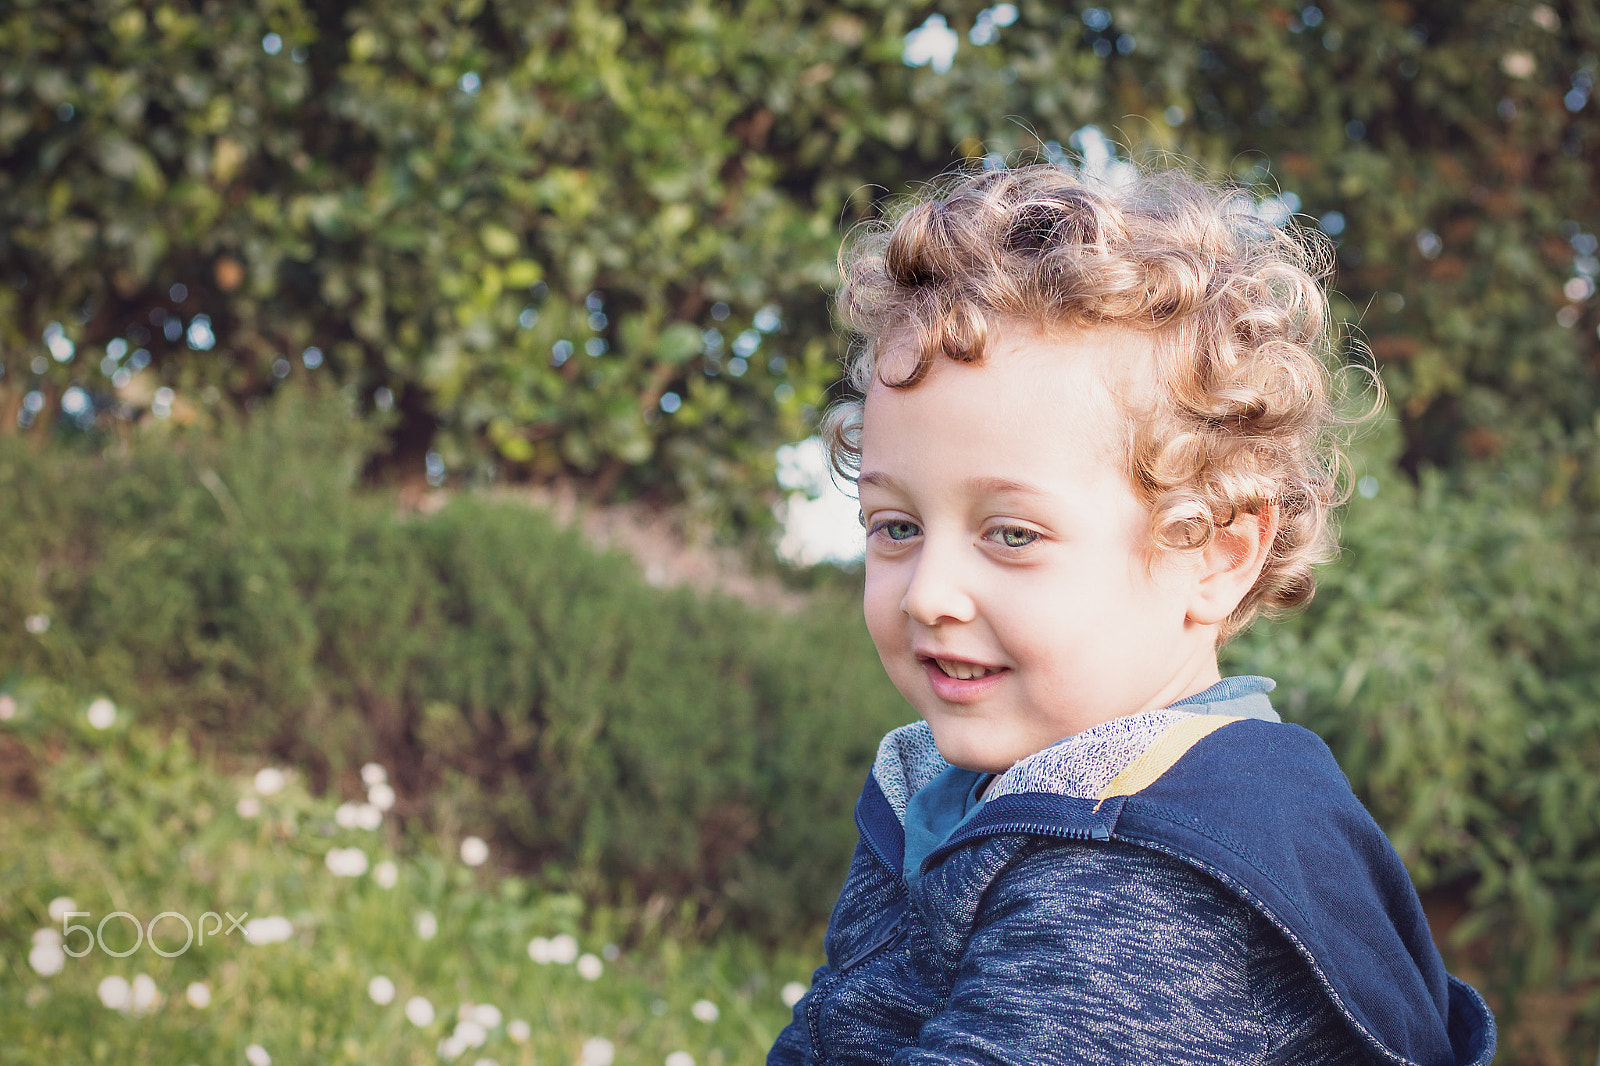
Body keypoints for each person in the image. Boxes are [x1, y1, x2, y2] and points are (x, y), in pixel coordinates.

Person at [766, 162, 1496, 1066]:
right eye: (897, 525)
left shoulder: (1160, 883)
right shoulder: (963, 788)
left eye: (1013, 534)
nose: (927, 593)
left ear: (1218, 554)